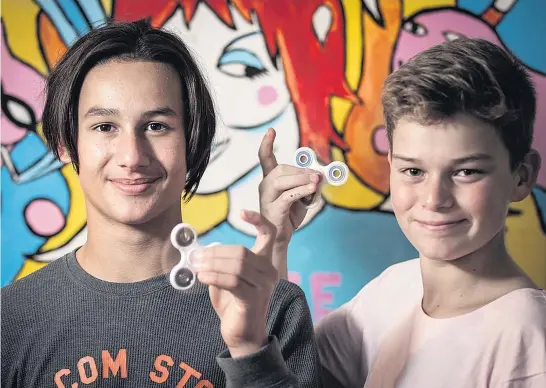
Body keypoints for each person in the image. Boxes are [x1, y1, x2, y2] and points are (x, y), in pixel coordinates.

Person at [0, 19, 324, 388]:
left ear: (193, 141)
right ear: (65, 143)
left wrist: (250, 350)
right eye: (105, 127)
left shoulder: (271, 306)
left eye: (156, 126)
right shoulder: (10, 320)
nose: (132, 157)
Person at [261, 37, 546, 387]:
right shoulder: (393, 289)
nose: (434, 199)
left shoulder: (528, 341)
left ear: (522, 176)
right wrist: (275, 241)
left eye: (467, 171)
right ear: (392, 165)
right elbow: (288, 373)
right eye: (414, 171)